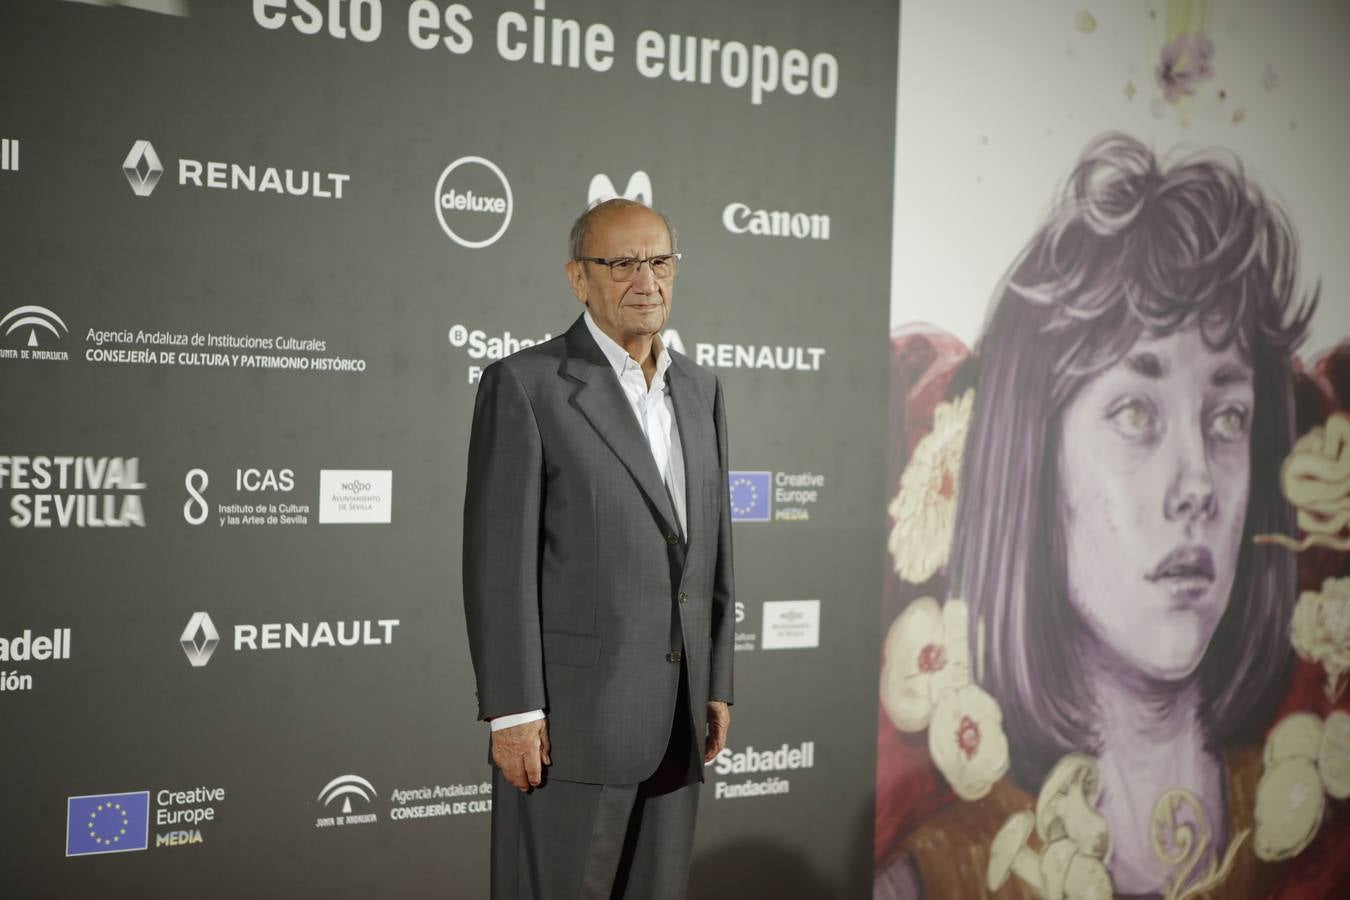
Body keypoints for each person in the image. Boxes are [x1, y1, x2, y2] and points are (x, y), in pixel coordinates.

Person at [875, 133, 1318, 898]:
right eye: (1137, 411)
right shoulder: (942, 874)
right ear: (1034, 461)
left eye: (1226, 418)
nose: (1198, 486)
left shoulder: (1305, 816)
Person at [462, 198, 735, 900]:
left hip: (677, 721)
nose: (646, 280)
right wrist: (515, 710)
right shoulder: (527, 385)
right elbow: (499, 570)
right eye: (621, 263)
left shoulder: (701, 390)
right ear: (578, 278)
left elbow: (712, 555)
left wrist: (716, 684)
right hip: (570, 733)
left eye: (660, 261)